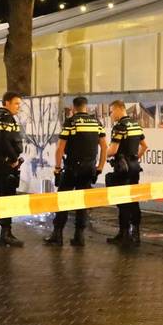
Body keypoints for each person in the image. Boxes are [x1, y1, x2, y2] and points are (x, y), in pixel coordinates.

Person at [45, 96, 106, 247]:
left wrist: (57, 168)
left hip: (72, 167)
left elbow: (60, 148)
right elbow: (104, 146)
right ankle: (79, 236)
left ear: (73, 108)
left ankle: (57, 235)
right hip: (89, 168)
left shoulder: (71, 122)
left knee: (63, 200)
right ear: (86, 107)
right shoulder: (96, 123)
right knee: (82, 201)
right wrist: (100, 166)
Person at [105, 100, 148, 247]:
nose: (111, 115)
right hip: (134, 168)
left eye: (111, 111)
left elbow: (113, 150)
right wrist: (135, 159)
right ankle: (135, 233)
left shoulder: (120, 127)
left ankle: (124, 234)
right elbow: (145, 146)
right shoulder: (135, 125)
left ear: (119, 109)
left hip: (122, 169)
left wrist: (103, 154)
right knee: (133, 200)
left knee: (122, 201)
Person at [0, 91, 24, 247]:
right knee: (7, 198)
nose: (18, 107)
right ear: (7, 102)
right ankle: (6, 234)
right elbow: (4, 141)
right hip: (5, 163)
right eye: (16, 103)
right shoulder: (7, 118)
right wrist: (13, 159)